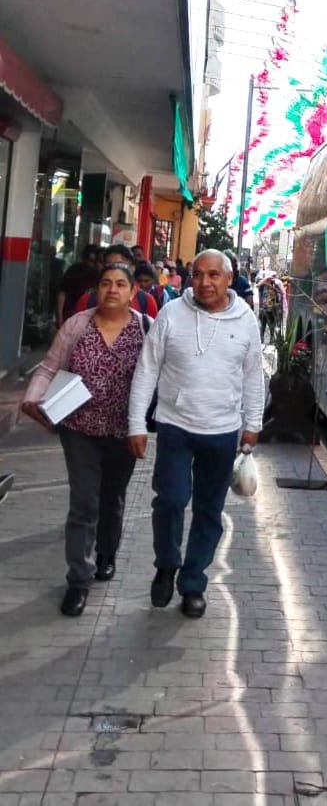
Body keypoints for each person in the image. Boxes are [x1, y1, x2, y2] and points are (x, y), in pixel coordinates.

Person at [128, 249, 264, 619]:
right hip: (175, 426)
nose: (204, 282)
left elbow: (254, 375)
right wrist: (136, 423)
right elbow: (146, 370)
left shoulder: (246, 320)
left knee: (209, 510)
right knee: (170, 500)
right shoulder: (171, 315)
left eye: (213, 275)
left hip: (222, 432)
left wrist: (253, 424)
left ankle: (192, 583)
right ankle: (166, 564)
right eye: (198, 274)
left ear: (229, 278)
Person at [21, 264, 148, 616]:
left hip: (123, 432)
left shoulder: (145, 328)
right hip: (78, 430)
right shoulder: (77, 325)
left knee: (112, 498)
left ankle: (107, 554)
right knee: (84, 503)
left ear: (132, 292)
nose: (112, 290)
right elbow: (48, 367)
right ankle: (79, 578)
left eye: (121, 284)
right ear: (97, 289)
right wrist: (33, 398)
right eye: (106, 283)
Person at [75, 245, 159, 319]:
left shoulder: (146, 301)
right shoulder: (87, 300)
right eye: (109, 266)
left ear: (132, 268)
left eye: (120, 265)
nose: (114, 270)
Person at [56, 245, 102, 326]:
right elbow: (62, 293)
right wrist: (59, 317)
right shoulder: (74, 271)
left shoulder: (102, 275)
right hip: (72, 316)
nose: (94, 265)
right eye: (91, 261)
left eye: (97, 261)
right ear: (84, 259)